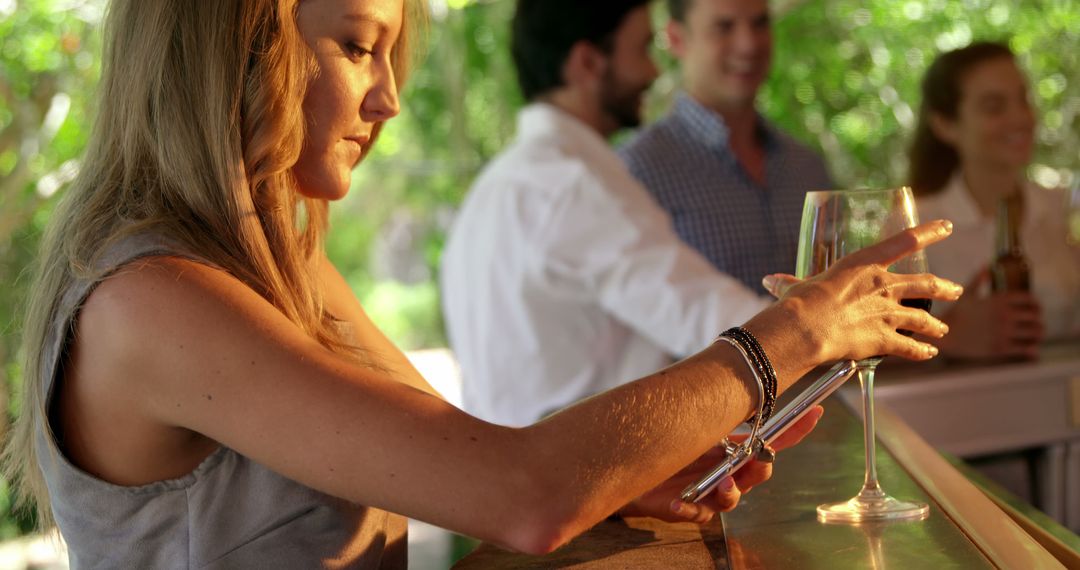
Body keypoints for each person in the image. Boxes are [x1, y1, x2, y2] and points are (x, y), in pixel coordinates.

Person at [1, 0, 960, 567]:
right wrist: (791, 334)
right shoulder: (153, 300)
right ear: (236, 36)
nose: (390, 98)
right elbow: (521, 493)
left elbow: (476, 464)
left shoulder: (279, 260)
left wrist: (628, 475)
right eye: (358, 44)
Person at [441, 0, 772, 428]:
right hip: (581, 479)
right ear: (588, 63)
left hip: (526, 467)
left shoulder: (501, 183)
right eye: (641, 49)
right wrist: (823, 324)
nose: (654, 72)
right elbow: (702, 315)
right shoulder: (571, 185)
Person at [619, 0, 834, 295]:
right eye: (724, 26)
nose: (748, 45)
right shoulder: (637, 171)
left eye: (759, 23)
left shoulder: (806, 165)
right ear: (676, 39)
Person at [909, 41, 1080, 360]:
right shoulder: (914, 229)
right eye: (994, 106)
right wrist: (950, 335)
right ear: (945, 125)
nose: (1021, 118)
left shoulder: (1060, 210)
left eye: (1023, 100)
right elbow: (862, 351)